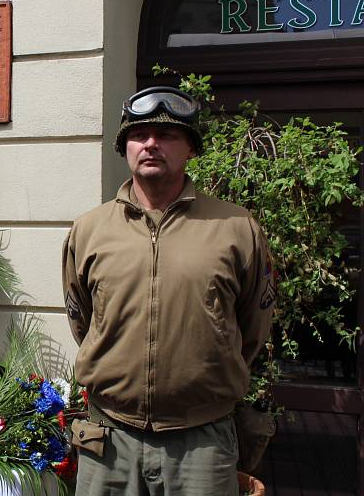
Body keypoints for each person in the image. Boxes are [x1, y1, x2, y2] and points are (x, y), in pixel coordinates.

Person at [62, 86, 275, 495]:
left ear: (191, 148)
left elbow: (252, 326)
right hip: (109, 440)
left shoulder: (235, 227)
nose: (152, 144)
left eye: (168, 135)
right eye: (139, 135)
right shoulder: (89, 230)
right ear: (125, 148)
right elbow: (84, 320)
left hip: (200, 442)